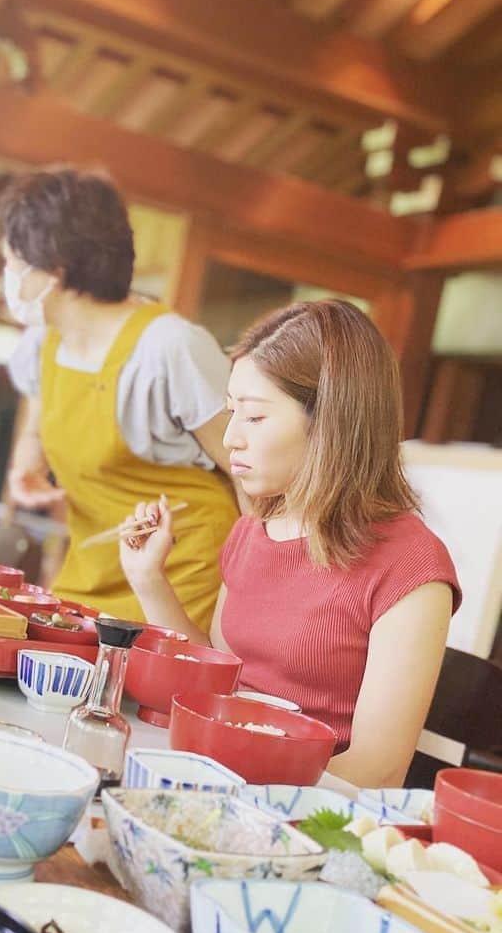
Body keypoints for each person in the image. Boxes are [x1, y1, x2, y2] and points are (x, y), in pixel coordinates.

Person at [119, 299, 460, 789]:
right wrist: (149, 579)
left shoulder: (411, 566)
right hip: (221, 779)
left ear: (330, 422)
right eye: (231, 411)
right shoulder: (253, 529)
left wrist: (232, 772)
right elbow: (220, 678)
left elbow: (376, 771)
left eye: (254, 418)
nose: (231, 437)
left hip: (307, 812)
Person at [0, 168, 241, 629]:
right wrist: (29, 456)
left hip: (181, 576)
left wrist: (247, 588)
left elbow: (246, 467)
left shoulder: (169, 347)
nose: (8, 274)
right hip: (94, 569)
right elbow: (39, 400)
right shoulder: (42, 342)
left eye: (13, 262)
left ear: (55, 270)